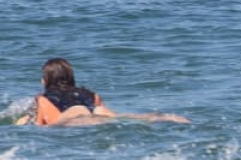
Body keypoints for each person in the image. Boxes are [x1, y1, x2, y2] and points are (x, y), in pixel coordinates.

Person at [35, 58, 189, 125]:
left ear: (45, 81)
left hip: (74, 117)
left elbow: (44, 124)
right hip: (95, 111)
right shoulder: (90, 94)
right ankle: (164, 117)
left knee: (84, 121)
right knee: (124, 117)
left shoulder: (43, 98)